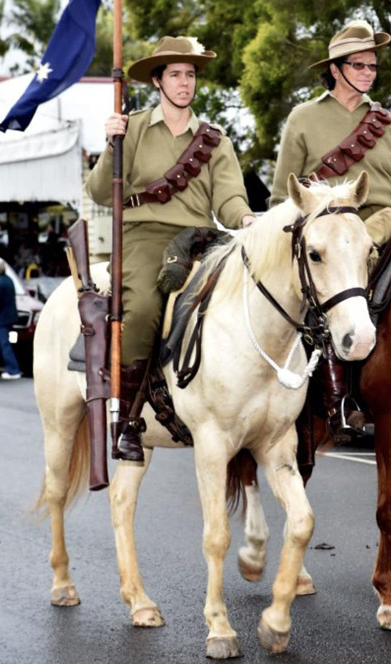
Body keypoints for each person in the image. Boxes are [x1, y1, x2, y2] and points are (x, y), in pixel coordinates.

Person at [85, 36, 255, 464]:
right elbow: (100, 192)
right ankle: (127, 422)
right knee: (142, 308)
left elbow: (230, 200)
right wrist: (111, 144)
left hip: (200, 239)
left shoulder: (215, 140)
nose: (184, 82)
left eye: (190, 74)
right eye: (175, 74)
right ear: (158, 81)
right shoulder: (134, 127)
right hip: (144, 236)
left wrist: (248, 221)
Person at [270, 19, 391, 439]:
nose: (367, 73)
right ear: (336, 69)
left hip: (385, 224)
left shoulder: (388, 124)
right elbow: (281, 198)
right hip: (326, 230)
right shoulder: (303, 118)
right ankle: (335, 394)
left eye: (372, 67)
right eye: (358, 65)